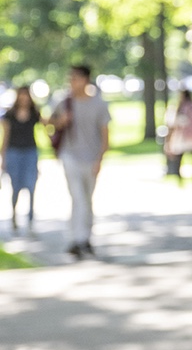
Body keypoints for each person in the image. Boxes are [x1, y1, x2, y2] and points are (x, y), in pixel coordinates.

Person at [49, 64, 112, 260]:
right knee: (77, 197)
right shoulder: (63, 102)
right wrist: (62, 121)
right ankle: (77, 239)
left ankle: (85, 238)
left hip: (91, 157)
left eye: (75, 78)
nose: (71, 82)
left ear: (85, 79)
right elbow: (49, 123)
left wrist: (100, 158)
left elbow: (105, 134)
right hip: (70, 155)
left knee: (87, 199)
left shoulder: (99, 104)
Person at [2, 85, 42, 236]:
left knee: (31, 186)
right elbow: (5, 137)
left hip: (30, 152)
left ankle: (30, 220)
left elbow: (47, 126)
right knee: (16, 187)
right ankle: (14, 215)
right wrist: (3, 158)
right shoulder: (10, 115)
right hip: (14, 153)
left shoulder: (34, 114)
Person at [164, 89, 192, 188]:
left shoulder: (181, 109)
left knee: (180, 163)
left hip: (183, 141)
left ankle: (181, 185)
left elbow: (173, 125)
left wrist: (169, 142)